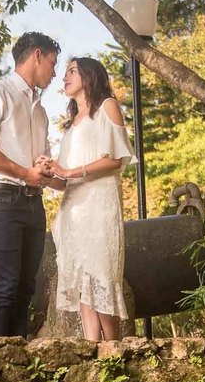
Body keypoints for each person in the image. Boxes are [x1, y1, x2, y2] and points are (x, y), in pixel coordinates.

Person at [0, 32, 60, 338]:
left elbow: (37, 161)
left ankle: (17, 364)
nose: (55, 72)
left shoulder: (41, 111)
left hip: (33, 203)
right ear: (36, 56)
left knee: (25, 289)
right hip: (0, 202)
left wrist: (42, 169)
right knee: (4, 286)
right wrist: (23, 173)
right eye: (53, 63)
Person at [39, 57, 137, 341]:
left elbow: (116, 160)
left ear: (89, 75)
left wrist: (69, 170)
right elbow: (64, 180)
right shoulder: (70, 127)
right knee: (84, 284)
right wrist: (47, 176)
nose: (65, 77)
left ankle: (114, 349)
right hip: (74, 211)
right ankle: (92, 351)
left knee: (102, 275)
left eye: (71, 71)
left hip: (100, 205)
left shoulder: (107, 106)